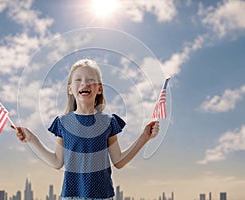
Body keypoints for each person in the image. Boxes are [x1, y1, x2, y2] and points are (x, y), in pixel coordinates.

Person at [12, 59, 159, 200]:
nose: (84, 83)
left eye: (90, 79)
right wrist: (32, 139)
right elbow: (57, 162)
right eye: (78, 80)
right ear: (70, 89)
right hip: (71, 196)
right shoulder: (63, 123)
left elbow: (119, 161)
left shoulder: (108, 122)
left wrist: (144, 137)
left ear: (99, 88)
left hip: (103, 196)